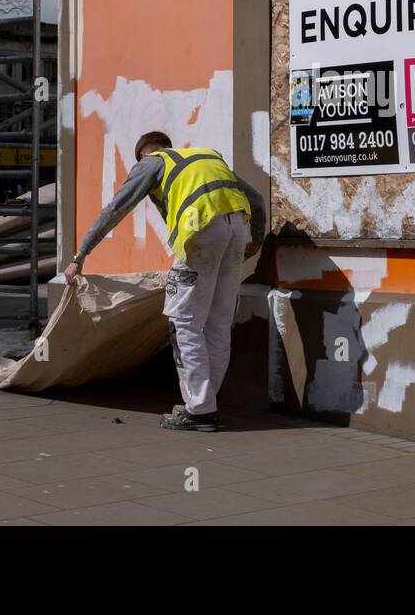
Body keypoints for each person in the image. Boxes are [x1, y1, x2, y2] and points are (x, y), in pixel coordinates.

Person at [63, 131, 265, 432]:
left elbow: (116, 208)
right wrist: (256, 241)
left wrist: (80, 255)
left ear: (145, 153)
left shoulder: (152, 162)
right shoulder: (204, 156)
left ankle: (198, 409)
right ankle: (207, 398)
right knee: (218, 322)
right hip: (236, 228)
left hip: (201, 231)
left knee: (184, 322)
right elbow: (257, 199)